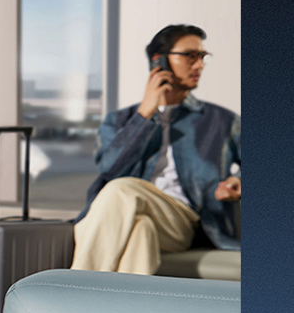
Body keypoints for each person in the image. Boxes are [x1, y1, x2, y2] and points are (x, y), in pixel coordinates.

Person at [71, 24, 240, 274]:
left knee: (120, 190)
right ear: (158, 61)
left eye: (202, 57)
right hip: (122, 215)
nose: (199, 65)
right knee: (141, 231)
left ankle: (74, 292)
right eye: (190, 56)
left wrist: (238, 180)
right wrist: (144, 115)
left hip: (180, 220)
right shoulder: (120, 120)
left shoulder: (220, 120)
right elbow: (109, 168)